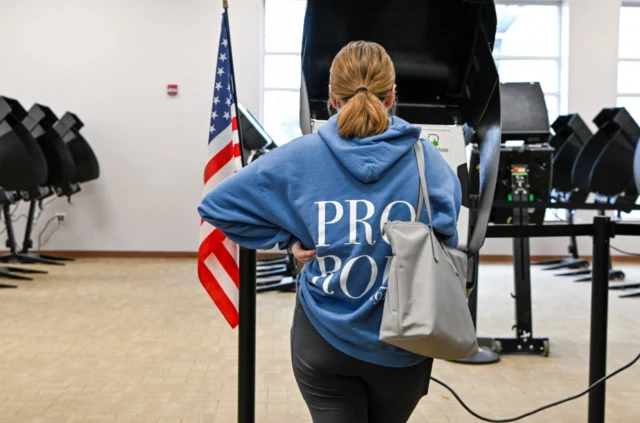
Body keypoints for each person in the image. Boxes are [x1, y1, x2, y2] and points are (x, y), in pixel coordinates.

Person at [198, 41, 462, 423]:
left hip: (323, 337)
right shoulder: (428, 161)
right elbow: (448, 234)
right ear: (392, 96)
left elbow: (216, 206)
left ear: (331, 97)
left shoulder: (298, 157)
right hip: (406, 339)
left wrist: (288, 238)